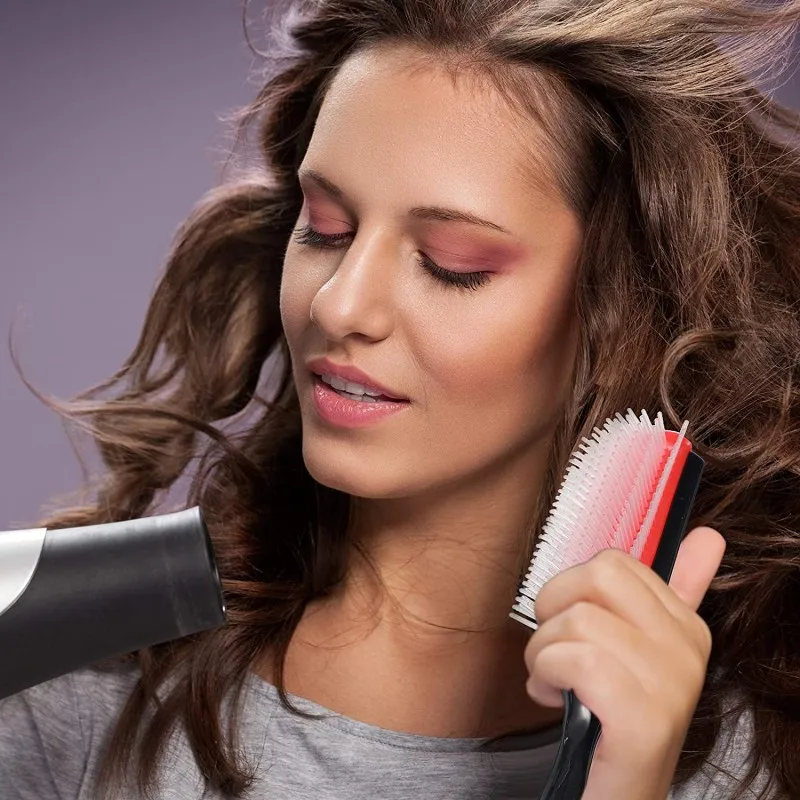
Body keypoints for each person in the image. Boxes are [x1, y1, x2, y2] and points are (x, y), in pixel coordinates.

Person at [1, 0, 799, 797]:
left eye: (451, 264)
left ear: (623, 308)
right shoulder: (86, 688)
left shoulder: (754, 757)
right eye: (326, 228)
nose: (340, 307)